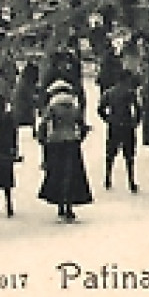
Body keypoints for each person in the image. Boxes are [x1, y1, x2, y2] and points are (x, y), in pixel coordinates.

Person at [37, 80, 93, 221]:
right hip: (72, 143)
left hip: (56, 143)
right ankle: (69, 207)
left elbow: (43, 125)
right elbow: (82, 126)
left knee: (57, 174)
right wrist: (79, 138)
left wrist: (43, 140)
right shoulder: (74, 108)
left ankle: (60, 206)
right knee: (71, 175)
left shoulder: (52, 107)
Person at [97, 75, 141, 193]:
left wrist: (108, 119)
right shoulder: (130, 93)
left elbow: (100, 108)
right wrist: (135, 121)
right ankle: (131, 182)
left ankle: (107, 178)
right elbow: (137, 108)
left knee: (110, 153)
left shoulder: (110, 92)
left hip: (114, 125)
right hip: (127, 125)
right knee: (129, 156)